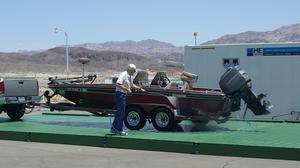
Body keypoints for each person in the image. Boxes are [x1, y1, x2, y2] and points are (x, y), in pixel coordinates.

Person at [110, 64, 145, 136]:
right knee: (121, 113)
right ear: (130, 69)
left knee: (120, 113)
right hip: (120, 95)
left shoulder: (130, 77)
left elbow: (132, 85)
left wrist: (140, 88)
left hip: (123, 95)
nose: (134, 72)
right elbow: (118, 84)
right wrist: (127, 89)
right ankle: (119, 130)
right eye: (134, 70)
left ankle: (114, 129)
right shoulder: (123, 74)